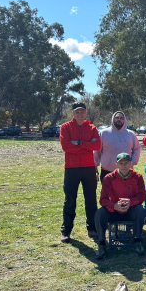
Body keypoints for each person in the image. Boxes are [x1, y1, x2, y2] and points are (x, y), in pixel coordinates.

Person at [59, 102, 101, 242]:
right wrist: (86, 146)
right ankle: (66, 230)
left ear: (86, 113)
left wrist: (78, 143)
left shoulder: (92, 128)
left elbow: (97, 145)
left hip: (89, 167)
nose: (80, 114)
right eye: (77, 112)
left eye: (82, 112)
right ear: (73, 113)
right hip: (71, 167)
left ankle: (92, 227)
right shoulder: (65, 127)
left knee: (91, 199)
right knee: (70, 199)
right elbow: (66, 146)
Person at [95, 153, 146, 259]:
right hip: (114, 211)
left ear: (130, 163)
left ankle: (137, 240)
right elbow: (103, 200)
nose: (124, 165)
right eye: (121, 163)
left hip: (130, 210)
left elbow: (142, 196)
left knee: (140, 210)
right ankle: (102, 243)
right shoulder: (109, 178)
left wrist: (130, 202)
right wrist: (114, 206)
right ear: (116, 164)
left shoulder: (138, 177)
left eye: (126, 163)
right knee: (100, 213)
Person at [94, 111, 140, 182]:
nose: (119, 119)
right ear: (113, 119)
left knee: (125, 193)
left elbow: (136, 149)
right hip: (107, 170)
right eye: (117, 117)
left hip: (126, 171)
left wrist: (132, 162)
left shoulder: (131, 134)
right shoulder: (103, 133)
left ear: (124, 120)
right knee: (108, 193)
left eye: (121, 118)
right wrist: (95, 164)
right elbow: (97, 150)